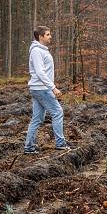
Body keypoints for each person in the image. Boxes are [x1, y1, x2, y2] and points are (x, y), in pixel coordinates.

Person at [24, 26, 71, 154]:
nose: (50, 37)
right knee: (57, 112)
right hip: (42, 89)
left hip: (39, 88)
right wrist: (53, 87)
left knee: (37, 118)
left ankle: (29, 147)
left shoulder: (41, 50)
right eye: (48, 34)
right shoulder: (36, 51)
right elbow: (40, 72)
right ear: (40, 37)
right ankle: (60, 144)